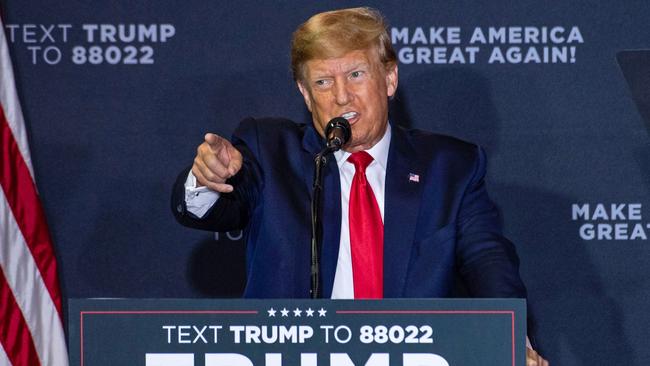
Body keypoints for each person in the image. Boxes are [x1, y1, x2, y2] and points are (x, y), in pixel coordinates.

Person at [172, 7, 548, 365]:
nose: (341, 96)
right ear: (305, 94)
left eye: (355, 75)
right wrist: (209, 177)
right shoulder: (270, 150)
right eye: (322, 82)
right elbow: (210, 210)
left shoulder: (449, 167)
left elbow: (488, 261)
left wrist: (510, 338)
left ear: (389, 78)